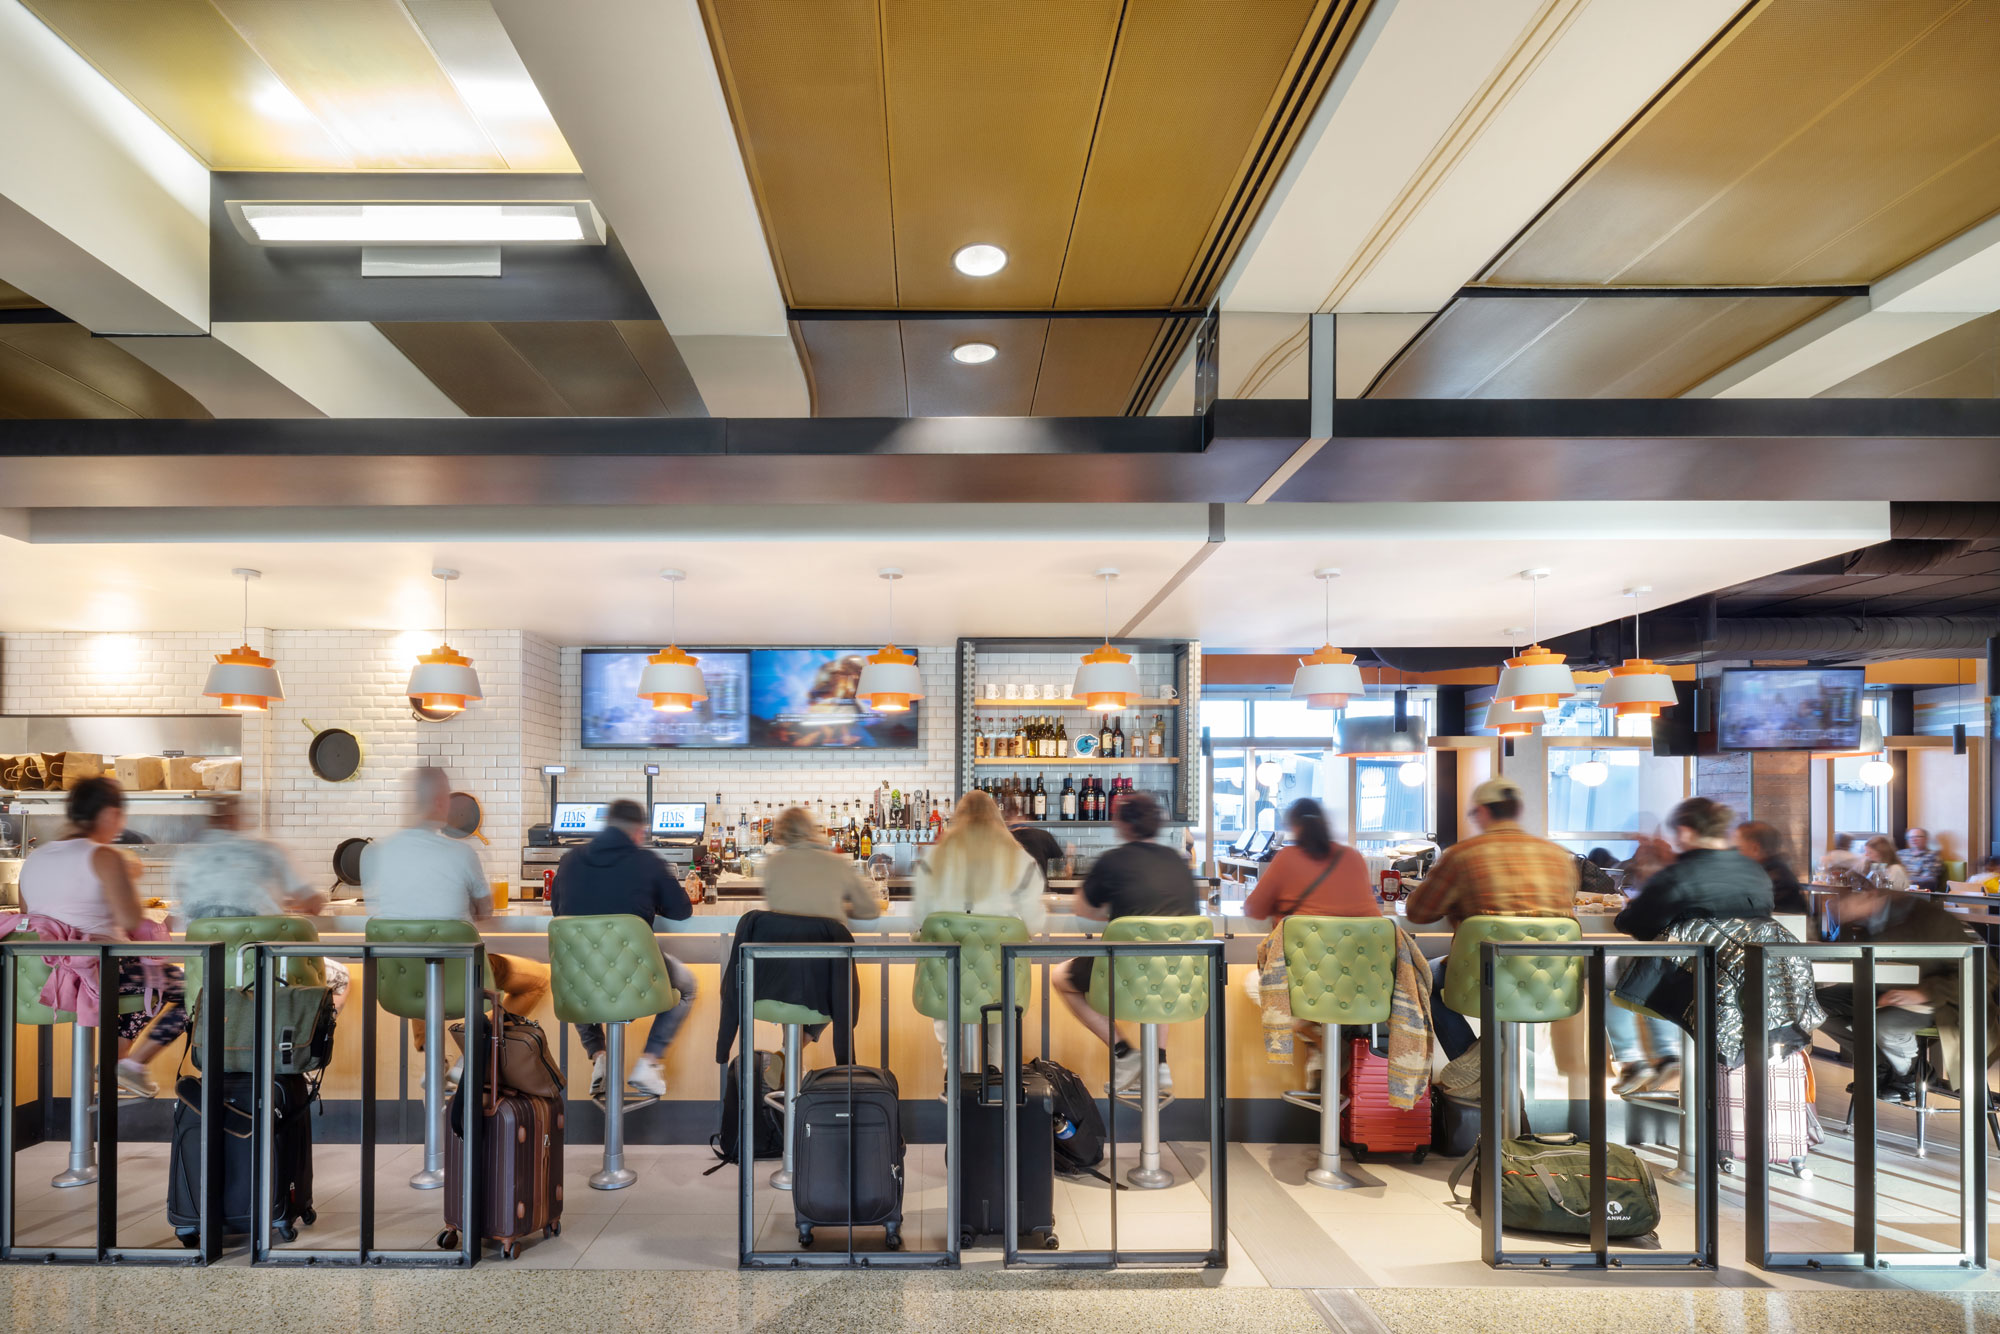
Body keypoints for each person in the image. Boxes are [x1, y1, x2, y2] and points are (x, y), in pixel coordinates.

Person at [363, 768, 550, 1066]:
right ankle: (474, 1051)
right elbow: (485, 911)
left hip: (398, 983)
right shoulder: (461, 853)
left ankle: (433, 1061)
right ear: (439, 803)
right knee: (539, 977)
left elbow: (385, 909)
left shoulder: (372, 853)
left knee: (417, 963)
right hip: (465, 980)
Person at [17, 777, 185, 1097]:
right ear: (108, 815)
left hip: (40, 982)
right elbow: (130, 918)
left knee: (141, 973)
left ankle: (118, 1064)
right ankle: (126, 1063)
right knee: (187, 987)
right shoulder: (105, 857)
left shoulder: (34, 858)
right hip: (94, 976)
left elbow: (32, 918)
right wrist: (127, 875)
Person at [1403, 776, 1576, 1061]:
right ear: (1518, 811)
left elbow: (1418, 912)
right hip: (1554, 979)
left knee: (1417, 978)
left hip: (1486, 974)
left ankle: (1474, 1061)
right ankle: (1489, 1070)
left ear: (1482, 812)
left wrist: (1459, 902)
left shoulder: (1462, 855)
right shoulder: (1559, 856)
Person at [1611, 798, 1775, 1094]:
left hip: (1693, 982)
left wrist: (1628, 910)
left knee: (1606, 971)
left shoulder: (1678, 875)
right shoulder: (1754, 872)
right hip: (1752, 983)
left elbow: (1639, 927)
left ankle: (1641, 1059)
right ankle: (1668, 1056)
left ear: (1686, 833)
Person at [549, 798, 699, 1099]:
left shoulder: (570, 860)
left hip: (579, 985)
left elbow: (558, 911)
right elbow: (682, 910)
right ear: (640, 831)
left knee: (578, 969)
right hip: (637, 978)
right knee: (687, 986)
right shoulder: (647, 862)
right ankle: (649, 1061)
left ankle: (599, 1055)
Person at [1053, 791, 1198, 1094]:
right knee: (1162, 970)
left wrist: (1119, 910)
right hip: (1181, 979)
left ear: (1122, 823)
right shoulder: (1177, 861)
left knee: (1060, 976)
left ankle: (1124, 1053)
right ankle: (1159, 1063)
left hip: (1124, 974)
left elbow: (1084, 911)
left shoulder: (1114, 861)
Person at [1816, 879, 1994, 1102]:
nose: (1843, 904)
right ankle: (1881, 1065)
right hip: (1883, 990)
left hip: (1942, 1002)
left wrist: (1923, 993)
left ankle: (1911, 1074)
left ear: (1873, 895)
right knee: (1813, 1006)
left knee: (1884, 1024)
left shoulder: (1930, 919)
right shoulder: (1869, 921)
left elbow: (1985, 974)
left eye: (1852, 897)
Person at [911, 791, 1047, 930]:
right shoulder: (1021, 859)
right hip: (1000, 950)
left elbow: (920, 917)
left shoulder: (933, 857)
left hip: (944, 950)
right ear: (997, 818)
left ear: (957, 818)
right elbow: (1034, 924)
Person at [1242, 798, 1378, 922]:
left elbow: (1254, 909)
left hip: (1303, 947)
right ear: (1325, 824)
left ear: (1295, 826)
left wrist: (1278, 907)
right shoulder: (1352, 856)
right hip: (1360, 946)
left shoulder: (1287, 857)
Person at [761, 806, 883, 923]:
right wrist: (836, 910)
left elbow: (777, 907)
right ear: (811, 830)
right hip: (829, 943)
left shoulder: (772, 864)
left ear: (781, 832)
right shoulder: (837, 862)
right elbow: (869, 910)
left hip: (782, 943)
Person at [1734, 820, 1808, 913]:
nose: (1735, 854)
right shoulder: (1771, 871)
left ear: (1755, 849)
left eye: (1739, 848)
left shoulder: (1771, 879)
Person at [1898, 827, 1943, 892]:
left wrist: (1904, 880)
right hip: (1899, 888)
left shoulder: (1932, 856)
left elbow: (1927, 879)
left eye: (1917, 837)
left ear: (1926, 839)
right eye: (1910, 837)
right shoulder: (1900, 854)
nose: (1913, 840)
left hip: (1920, 891)